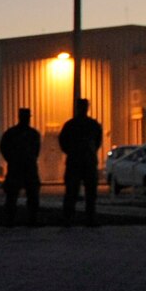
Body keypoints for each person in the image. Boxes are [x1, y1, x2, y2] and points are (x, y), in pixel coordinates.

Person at [60, 97, 104, 226]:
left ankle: (77, 218)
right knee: (75, 192)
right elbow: (97, 142)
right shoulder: (90, 125)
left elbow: (63, 142)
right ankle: (74, 218)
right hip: (82, 162)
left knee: (84, 193)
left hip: (81, 162)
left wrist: (74, 152)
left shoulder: (73, 125)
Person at [0, 108, 42, 226]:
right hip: (20, 167)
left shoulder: (14, 133)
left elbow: (36, 150)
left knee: (30, 196)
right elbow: (4, 148)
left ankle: (28, 219)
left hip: (23, 167)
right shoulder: (28, 134)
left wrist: (12, 160)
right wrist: (13, 160)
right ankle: (12, 219)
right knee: (14, 196)